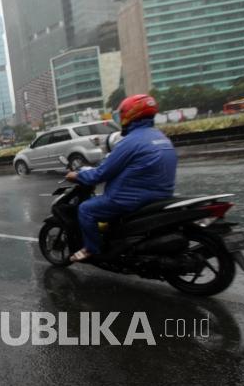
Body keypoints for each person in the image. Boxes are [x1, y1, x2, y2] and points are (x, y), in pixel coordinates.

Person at [65, 94, 177, 262]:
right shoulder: (160, 137)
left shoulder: (130, 142)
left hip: (131, 199)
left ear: (129, 115)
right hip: (161, 196)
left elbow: (101, 174)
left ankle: (92, 249)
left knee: (86, 209)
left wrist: (77, 175)